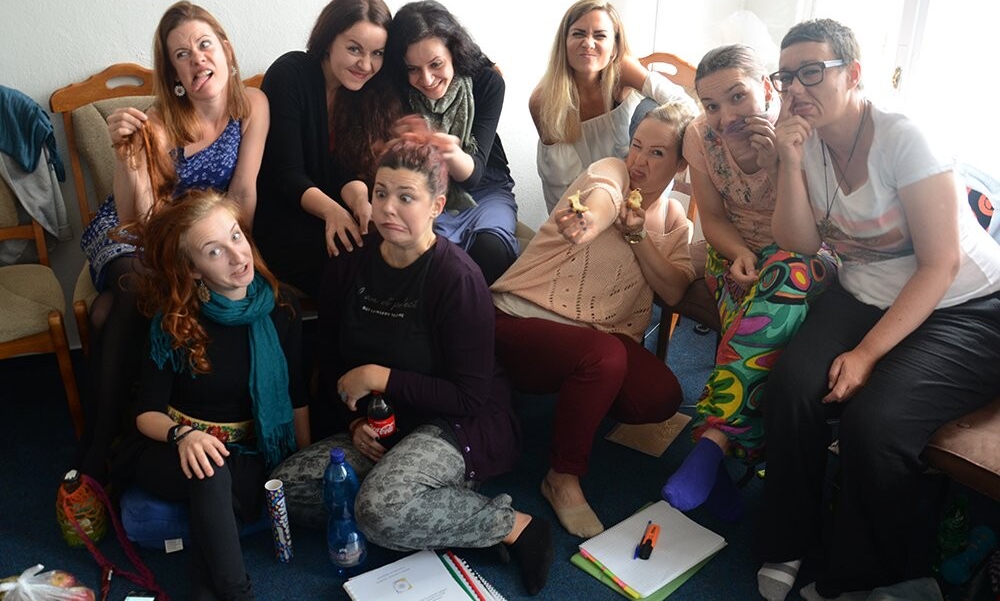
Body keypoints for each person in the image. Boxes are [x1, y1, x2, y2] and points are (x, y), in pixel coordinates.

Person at [758, 19, 1000, 600]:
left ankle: (867, 573)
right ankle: (789, 538)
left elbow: (940, 264)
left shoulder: (904, 140)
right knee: (791, 386)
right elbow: (800, 242)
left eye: (811, 72)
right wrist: (788, 160)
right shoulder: (805, 142)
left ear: (854, 74)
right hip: (865, 290)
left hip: (964, 304)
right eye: (785, 77)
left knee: (876, 423)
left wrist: (867, 354)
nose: (796, 89)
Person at [272, 137, 553, 596]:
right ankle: (416, 505)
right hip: (382, 424)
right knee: (286, 488)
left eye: (406, 197)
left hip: (454, 423)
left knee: (378, 511)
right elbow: (331, 360)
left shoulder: (457, 278)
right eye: (381, 193)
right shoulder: (349, 264)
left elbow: (470, 396)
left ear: (436, 206)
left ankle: (512, 526)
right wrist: (354, 421)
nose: (388, 208)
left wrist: (379, 377)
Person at [76, 0, 269, 482]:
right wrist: (125, 157)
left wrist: (235, 252)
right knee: (131, 286)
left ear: (225, 50)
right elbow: (137, 218)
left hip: (207, 234)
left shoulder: (253, 104)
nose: (197, 58)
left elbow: (243, 192)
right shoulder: (160, 123)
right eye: (182, 54)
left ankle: (114, 433)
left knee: (106, 313)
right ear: (174, 73)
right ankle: (103, 440)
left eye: (204, 44)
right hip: (136, 235)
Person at [491, 98, 698, 538]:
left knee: (660, 397)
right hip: (519, 320)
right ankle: (562, 476)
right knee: (604, 357)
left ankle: (574, 401)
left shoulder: (675, 221)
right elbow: (601, 197)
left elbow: (674, 290)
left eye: (656, 152)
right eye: (637, 145)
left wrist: (638, 234)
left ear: (681, 165)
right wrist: (588, 222)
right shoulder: (612, 170)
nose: (639, 160)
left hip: (591, 341)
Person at [660, 45, 837, 518]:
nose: (726, 117)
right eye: (711, 105)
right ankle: (723, 458)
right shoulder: (701, 136)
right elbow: (714, 218)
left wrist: (778, 164)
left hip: (806, 253)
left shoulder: (801, 131)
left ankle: (713, 441)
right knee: (755, 317)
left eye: (738, 97)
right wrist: (738, 253)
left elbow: (809, 233)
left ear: (766, 87)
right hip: (735, 250)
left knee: (780, 279)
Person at [128, 190, 309, 599]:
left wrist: (301, 465)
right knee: (209, 471)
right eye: (214, 251)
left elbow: (296, 392)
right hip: (171, 446)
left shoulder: (282, 306)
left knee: (216, 491)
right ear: (193, 269)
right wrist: (183, 436)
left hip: (247, 451)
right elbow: (146, 413)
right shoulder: (174, 320)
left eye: (236, 236)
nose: (237, 255)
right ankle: (238, 593)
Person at [255, 0, 401, 298]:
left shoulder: (367, 93)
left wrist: (360, 201)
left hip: (336, 209)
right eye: (354, 49)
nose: (366, 64)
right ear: (328, 40)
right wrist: (333, 211)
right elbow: (287, 174)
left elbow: (347, 170)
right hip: (284, 216)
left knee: (396, 253)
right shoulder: (290, 74)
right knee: (358, 268)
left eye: (377, 53)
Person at [385, 0, 519, 284]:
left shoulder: (486, 83)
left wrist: (446, 149)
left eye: (436, 64)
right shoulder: (394, 89)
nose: (426, 79)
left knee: (491, 250)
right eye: (413, 69)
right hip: (425, 188)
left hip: (485, 188)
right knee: (424, 256)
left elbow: (474, 175)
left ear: (454, 53)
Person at [530, 0, 691, 211]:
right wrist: (602, 211)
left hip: (638, 185)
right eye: (578, 34)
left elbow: (684, 104)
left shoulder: (623, 70)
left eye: (600, 36)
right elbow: (565, 184)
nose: (588, 43)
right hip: (581, 197)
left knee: (652, 108)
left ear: (614, 47)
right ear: (564, 43)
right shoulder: (543, 100)